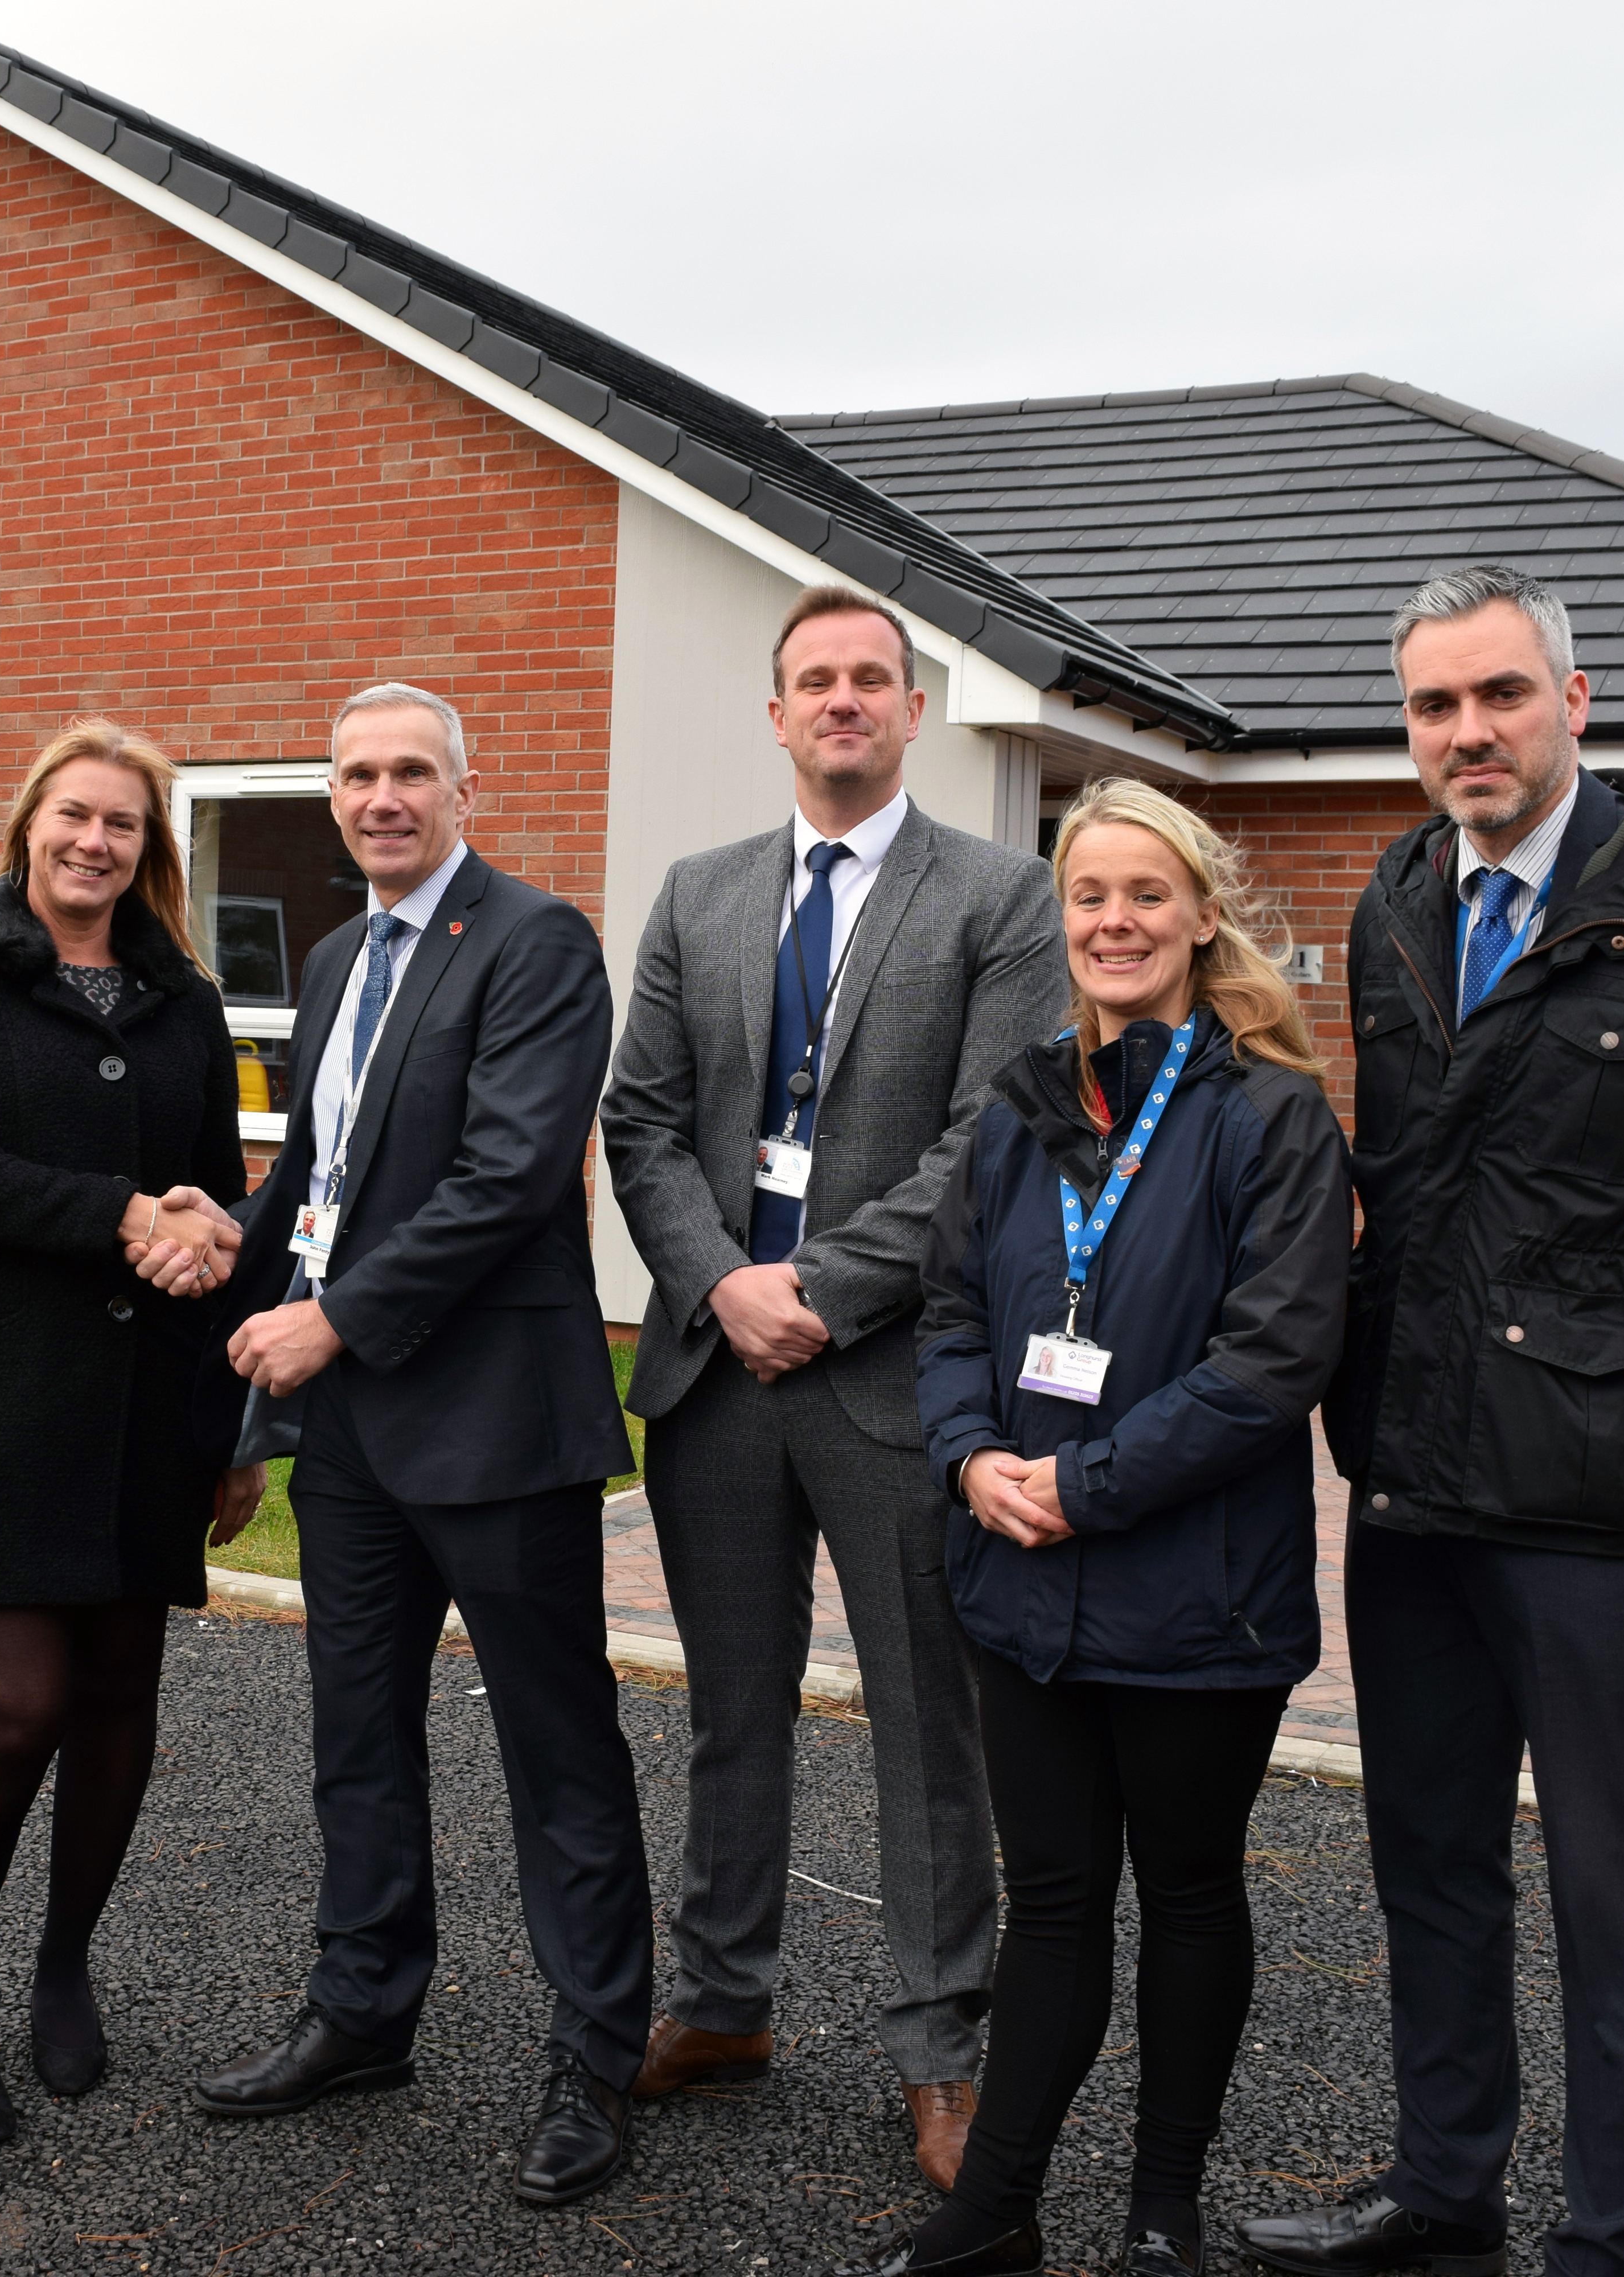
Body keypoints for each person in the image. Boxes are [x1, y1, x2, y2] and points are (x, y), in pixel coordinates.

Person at [1235, 566, 1624, 2277]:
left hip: (1600, 1504)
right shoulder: (1397, 903)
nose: (1470, 733)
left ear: (1576, 702)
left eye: (1501, 695)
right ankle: (1447, 2200)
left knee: (1615, 1897)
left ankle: (1619, 2245)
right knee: (1431, 1865)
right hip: (1413, 1478)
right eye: (1436, 705)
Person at [845, 779, 1350, 2277]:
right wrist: (968, 1457)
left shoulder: (1270, 1115)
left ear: (1203, 916)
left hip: (1197, 1599)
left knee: (1190, 1897)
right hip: (1020, 1587)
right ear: (1061, 920)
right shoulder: (1020, 1102)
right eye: (1089, 896)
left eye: (1146, 895)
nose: (1115, 921)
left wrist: (1085, 1485)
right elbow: (948, 1313)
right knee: (1053, 1904)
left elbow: (1274, 1362)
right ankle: (995, 2208)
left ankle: (1161, 2211)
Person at [599, 585, 1059, 2186]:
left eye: (873, 678)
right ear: (775, 711)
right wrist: (724, 1283)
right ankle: (724, 2002)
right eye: (816, 680)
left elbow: (993, 1135)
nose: (844, 700)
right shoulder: (700, 892)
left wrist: (821, 1288)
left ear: (915, 708)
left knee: (929, 1726)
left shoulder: (1002, 898)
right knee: (733, 1710)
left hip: (890, 1376)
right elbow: (641, 1120)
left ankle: (943, 2052)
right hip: (717, 1370)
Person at [187, 683, 653, 2208]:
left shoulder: (534, 943)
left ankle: (596, 2059)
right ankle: (364, 2011)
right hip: (357, 1445)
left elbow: (510, 1175)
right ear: (332, 798)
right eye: (356, 776)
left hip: (497, 1427)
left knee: (558, 1754)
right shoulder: (334, 958)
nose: (382, 797)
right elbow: (323, 1177)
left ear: (465, 786)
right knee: (357, 1741)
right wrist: (235, 1247)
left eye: (410, 773)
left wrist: (332, 1323)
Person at [0, 718, 266, 2142]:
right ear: (28, 822)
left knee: (117, 1703)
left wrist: (238, 1415)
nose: (94, 842)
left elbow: (218, 1193)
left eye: (122, 823)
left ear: (148, 847)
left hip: (158, 1396)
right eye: (73, 814)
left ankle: (63, 1964)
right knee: (17, 1701)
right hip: (6, 1398)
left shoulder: (184, 998)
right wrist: (121, 1216)